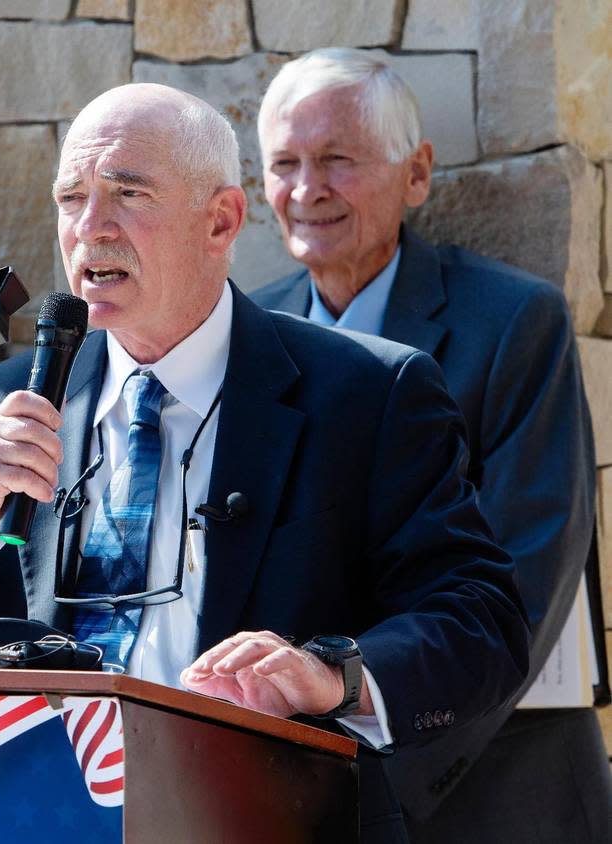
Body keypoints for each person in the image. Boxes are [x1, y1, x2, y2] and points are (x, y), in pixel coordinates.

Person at [0, 82, 530, 843]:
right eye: (72, 198)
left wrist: (332, 673)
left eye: (127, 194)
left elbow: (482, 622)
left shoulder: (367, 393)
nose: (90, 228)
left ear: (222, 220)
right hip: (35, 818)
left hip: (261, 819)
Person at [250, 48, 611, 843]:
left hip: (494, 790)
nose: (306, 190)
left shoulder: (515, 323)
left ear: (416, 175)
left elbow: (527, 576)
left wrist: (376, 776)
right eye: (284, 164)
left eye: (337, 160)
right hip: (293, 787)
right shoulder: (248, 333)